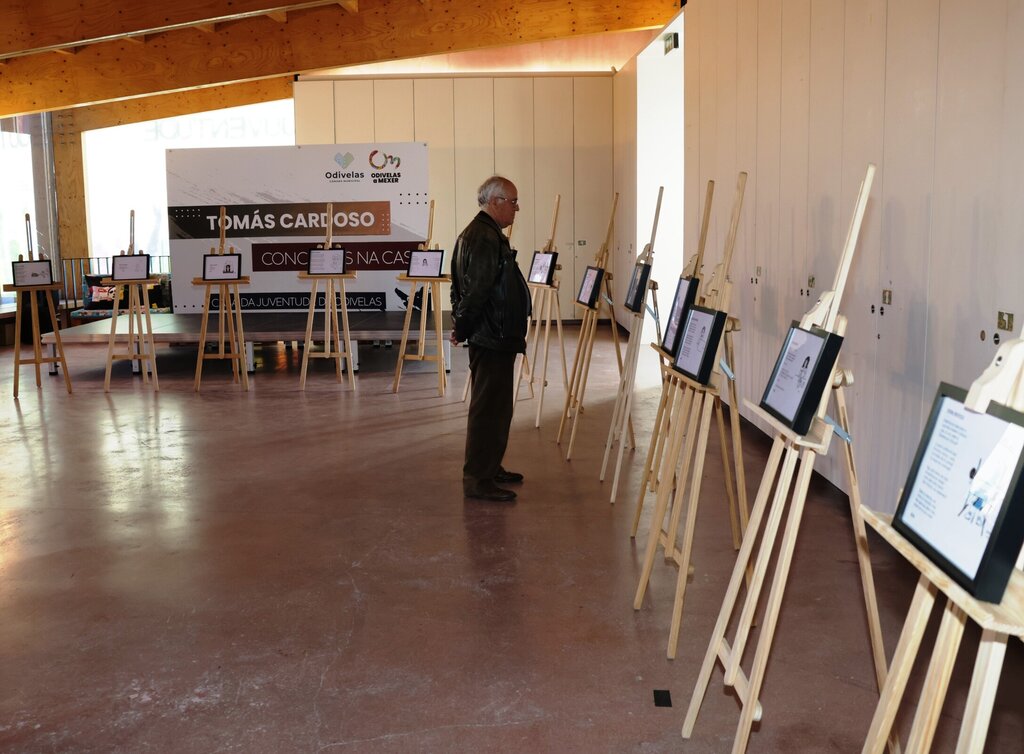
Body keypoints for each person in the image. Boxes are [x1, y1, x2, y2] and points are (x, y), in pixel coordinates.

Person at [450, 176, 532, 502]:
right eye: (513, 201)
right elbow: (476, 291)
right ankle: (478, 479)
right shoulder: (484, 237)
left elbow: (463, 288)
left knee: (496, 408)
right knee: (488, 410)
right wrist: (463, 327)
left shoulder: (480, 233)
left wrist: (463, 325)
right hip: (492, 336)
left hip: (492, 335)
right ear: (495, 202)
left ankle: (490, 467)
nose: (516, 208)